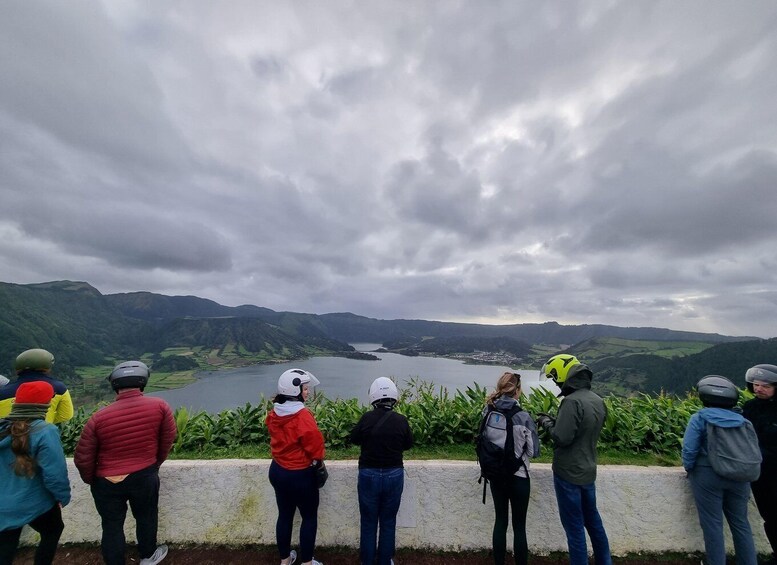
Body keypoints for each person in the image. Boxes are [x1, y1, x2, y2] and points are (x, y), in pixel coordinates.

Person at [74, 361, 176, 565]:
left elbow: (83, 457)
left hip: (106, 481)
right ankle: (147, 557)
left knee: (111, 526)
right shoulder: (159, 406)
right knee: (146, 517)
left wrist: (92, 481)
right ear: (143, 382)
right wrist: (154, 465)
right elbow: (167, 440)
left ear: (115, 385)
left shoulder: (98, 418)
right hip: (143, 475)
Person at [536, 354, 611, 565]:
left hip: (568, 473)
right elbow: (584, 431)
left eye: (554, 377)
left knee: (575, 528)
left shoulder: (571, 401)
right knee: (594, 522)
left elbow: (562, 437)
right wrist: (556, 422)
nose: (555, 382)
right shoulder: (597, 400)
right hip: (588, 470)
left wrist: (546, 422)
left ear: (562, 375)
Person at [683, 375, 758, 565]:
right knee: (741, 523)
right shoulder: (744, 421)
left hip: (707, 475)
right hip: (740, 476)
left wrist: (689, 469)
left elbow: (689, 449)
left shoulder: (699, 418)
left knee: (712, 524)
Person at [0, 381, 71, 565]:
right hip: (33, 502)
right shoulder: (45, 431)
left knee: (6, 547)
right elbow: (54, 474)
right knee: (53, 530)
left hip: (3, 505)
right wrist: (62, 497)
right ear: (45, 405)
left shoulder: (3, 427)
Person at [350, 377, 414, 565]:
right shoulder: (401, 420)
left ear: (373, 397)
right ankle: (385, 561)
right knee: (388, 522)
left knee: (368, 523)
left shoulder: (367, 419)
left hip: (368, 474)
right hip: (394, 474)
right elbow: (408, 444)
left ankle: (367, 561)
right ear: (393, 397)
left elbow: (354, 439)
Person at [266, 368, 326, 565]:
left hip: (278, 471)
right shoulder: (302, 416)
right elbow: (315, 447)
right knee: (309, 518)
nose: (307, 392)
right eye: (305, 388)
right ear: (295, 391)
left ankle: (285, 560)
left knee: (284, 516)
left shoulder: (275, 412)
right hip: (300, 475)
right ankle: (307, 562)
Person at [480, 372, 539, 565]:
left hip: (496, 475)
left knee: (500, 522)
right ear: (518, 390)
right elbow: (533, 451)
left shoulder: (487, 411)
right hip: (519, 476)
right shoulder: (523, 417)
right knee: (519, 526)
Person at [743, 365, 777, 565]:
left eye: (765, 386)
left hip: (774, 469)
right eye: (756, 385)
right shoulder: (750, 407)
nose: (759, 389)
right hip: (759, 471)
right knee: (769, 514)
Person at [0, 349, 73, 424]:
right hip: (43, 431)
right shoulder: (60, 389)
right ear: (47, 368)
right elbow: (65, 416)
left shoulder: (2, 393)